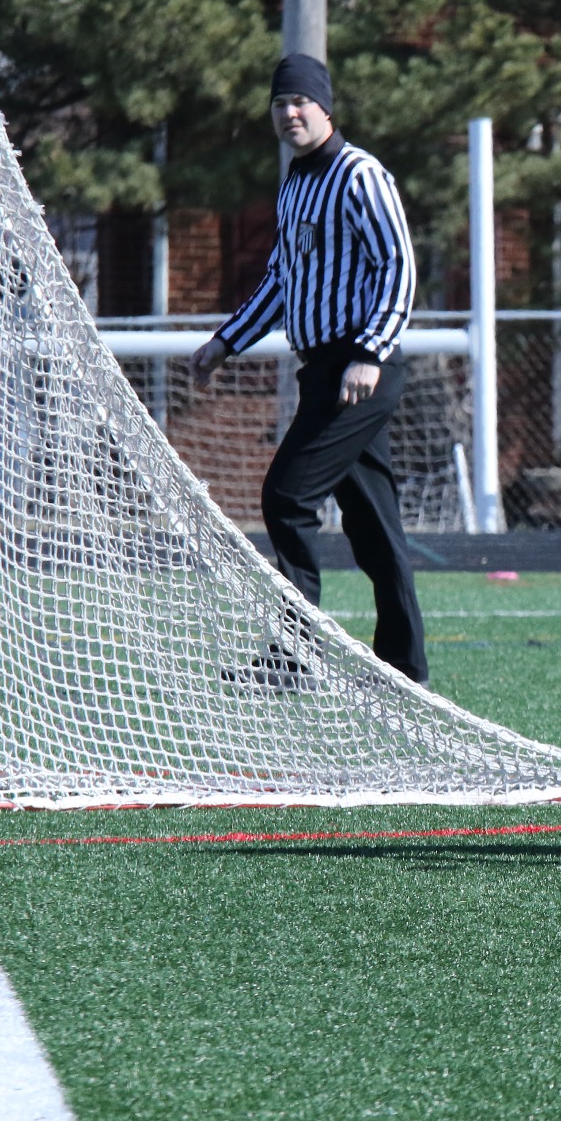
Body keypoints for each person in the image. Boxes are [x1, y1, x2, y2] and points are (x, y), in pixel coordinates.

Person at [190, 53, 427, 686]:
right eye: (279, 104)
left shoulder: (360, 175)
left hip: (359, 372)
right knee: (373, 523)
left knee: (286, 498)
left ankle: (295, 657)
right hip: (322, 368)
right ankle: (405, 666)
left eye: (300, 102)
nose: (289, 113)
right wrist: (224, 343)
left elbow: (398, 269)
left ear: (326, 108)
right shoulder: (296, 181)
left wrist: (369, 353)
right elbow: (282, 280)